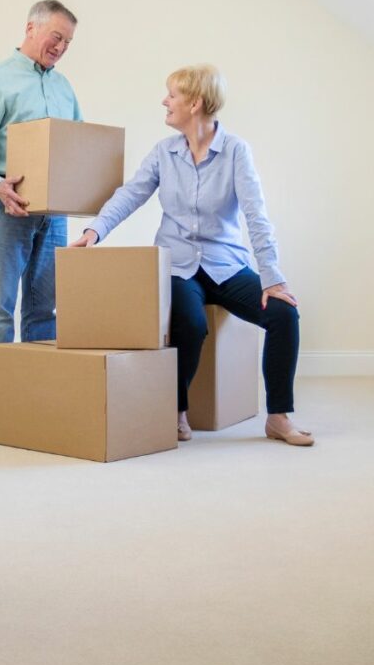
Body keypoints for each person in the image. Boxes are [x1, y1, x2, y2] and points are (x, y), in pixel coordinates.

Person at [70, 64, 311, 446]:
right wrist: (94, 230)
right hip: (178, 266)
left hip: (226, 265)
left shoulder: (235, 152)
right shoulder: (164, 152)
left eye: (172, 95)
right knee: (190, 322)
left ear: (195, 102)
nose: (164, 101)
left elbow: (256, 215)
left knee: (284, 313)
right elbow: (131, 194)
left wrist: (272, 277)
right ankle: (177, 411)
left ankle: (278, 417)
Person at [0, 0, 82, 417]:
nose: (62, 47)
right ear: (32, 28)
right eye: (56, 37)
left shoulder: (64, 88)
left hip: (54, 215)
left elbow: (76, 145)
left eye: (68, 41)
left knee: (43, 307)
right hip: (6, 211)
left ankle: (39, 389)